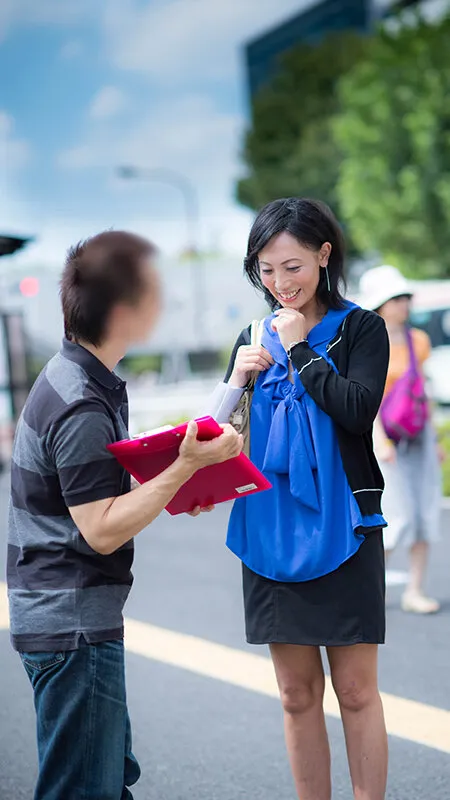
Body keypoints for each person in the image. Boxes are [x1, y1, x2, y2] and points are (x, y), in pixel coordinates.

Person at [7, 230, 242, 800]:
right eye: (154, 291)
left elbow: (100, 496)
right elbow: (101, 528)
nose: (162, 303)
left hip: (65, 619)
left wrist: (178, 483)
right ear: (124, 310)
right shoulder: (81, 401)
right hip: (73, 624)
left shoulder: (85, 378)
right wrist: (183, 469)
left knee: (108, 783)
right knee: (85, 788)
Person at [206, 198, 390, 800]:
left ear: (323, 256)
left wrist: (302, 351)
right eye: (266, 270)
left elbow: (360, 409)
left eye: (292, 267)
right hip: (270, 526)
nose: (280, 283)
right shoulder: (251, 338)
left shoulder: (362, 327)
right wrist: (236, 377)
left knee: (357, 692)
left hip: (345, 525)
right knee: (295, 694)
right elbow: (211, 434)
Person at [359, 265, 441, 614]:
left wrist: (434, 437)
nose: (403, 304)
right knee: (397, 516)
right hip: (386, 436)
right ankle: (366, 588)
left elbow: (423, 389)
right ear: (381, 304)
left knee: (425, 513)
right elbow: (369, 396)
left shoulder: (418, 340)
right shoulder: (369, 344)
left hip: (418, 434)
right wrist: (378, 439)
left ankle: (415, 590)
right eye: (396, 298)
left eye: (405, 297)